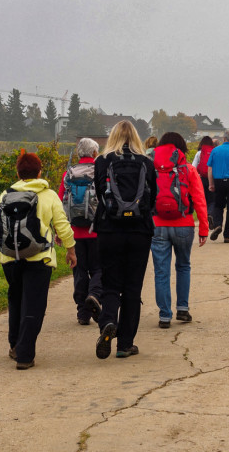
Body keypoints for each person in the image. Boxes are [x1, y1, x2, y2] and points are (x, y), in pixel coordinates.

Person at [0, 151, 77, 370]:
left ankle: (14, 345)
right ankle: (25, 355)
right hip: (39, 258)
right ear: (39, 171)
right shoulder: (49, 195)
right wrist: (71, 251)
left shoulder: (4, 195)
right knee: (33, 304)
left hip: (9, 258)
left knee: (16, 299)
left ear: (18, 172)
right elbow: (62, 225)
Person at [93, 121, 157, 359]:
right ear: (136, 138)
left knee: (111, 283)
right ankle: (125, 344)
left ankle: (108, 322)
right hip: (139, 232)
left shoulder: (102, 161)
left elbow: (100, 193)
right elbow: (153, 198)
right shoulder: (146, 162)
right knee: (132, 287)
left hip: (109, 230)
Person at [151, 132, 209, 328]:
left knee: (161, 272)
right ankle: (182, 309)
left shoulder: (151, 167)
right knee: (183, 266)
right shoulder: (189, 169)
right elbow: (200, 200)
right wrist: (203, 228)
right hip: (184, 224)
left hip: (157, 226)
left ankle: (164, 315)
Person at [58, 137, 102, 325]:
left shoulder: (68, 174)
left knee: (79, 271)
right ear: (94, 153)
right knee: (100, 269)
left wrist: (60, 232)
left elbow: (60, 203)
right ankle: (94, 295)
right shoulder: (100, 171)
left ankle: (82, 313)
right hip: (97, 232)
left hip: (75, 232)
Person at [192, 136, 215, 228]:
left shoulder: (199, 153)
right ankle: (210, 213)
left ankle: (204, 218)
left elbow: (193, 167)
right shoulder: (214, 152)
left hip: (201, 179)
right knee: (212, 200)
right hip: (212, 179)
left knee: (203, 199)